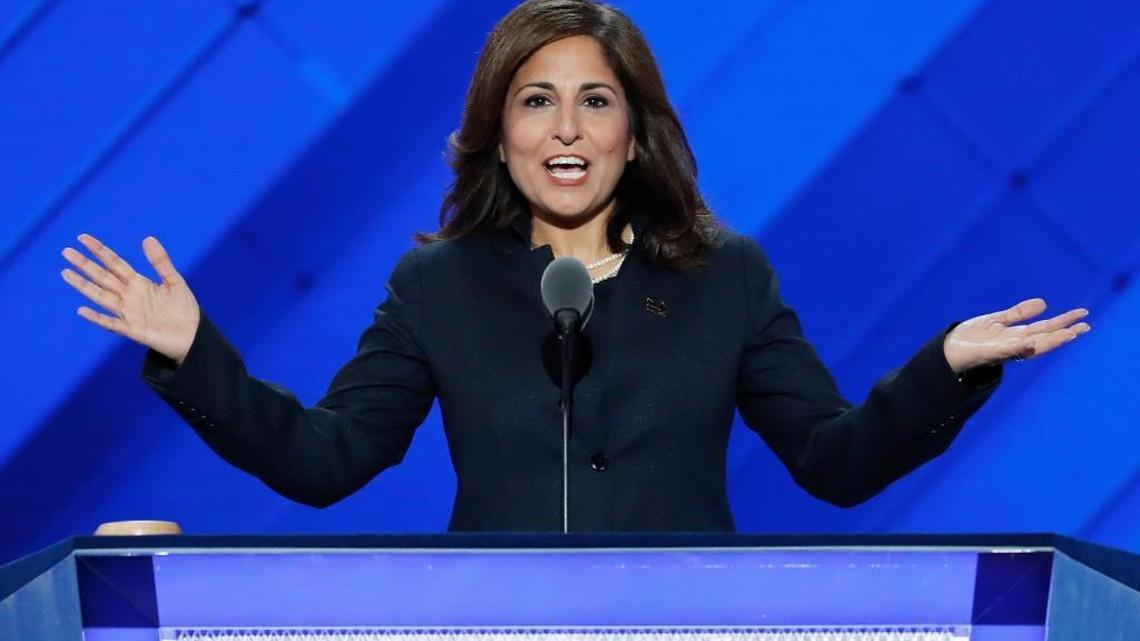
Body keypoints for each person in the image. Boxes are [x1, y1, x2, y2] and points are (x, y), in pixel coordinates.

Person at [59, 0, 1090, 532]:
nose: (565, 127)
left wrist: (947, 362)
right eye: (534, 99)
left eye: (594, 100)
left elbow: (837, 461)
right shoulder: (440, 286)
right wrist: (194, 351)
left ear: (635, 133)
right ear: (498, 131)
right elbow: (328, 460)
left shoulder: (726, 276)